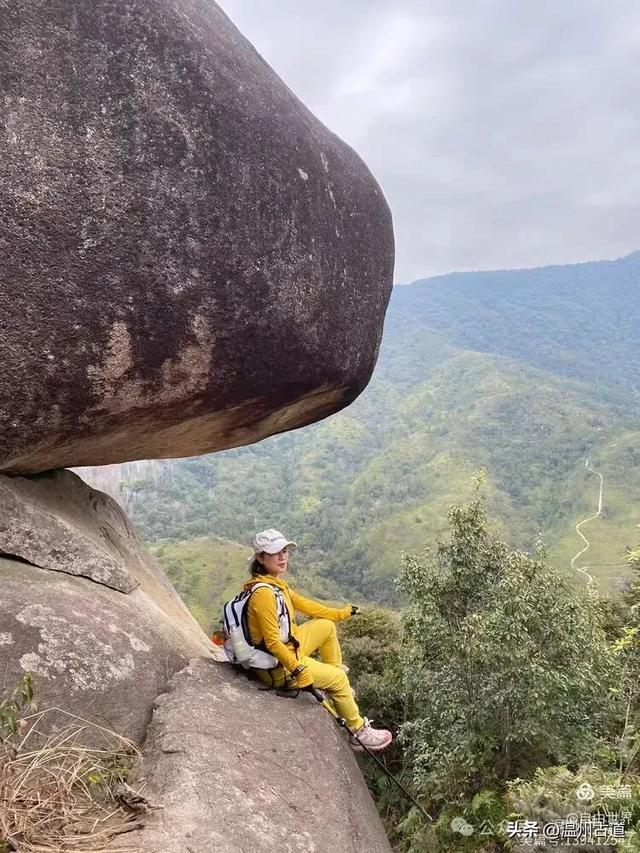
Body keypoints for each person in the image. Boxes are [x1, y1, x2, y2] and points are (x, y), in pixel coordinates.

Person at [243, 528, 393, 752]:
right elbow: (273, 643)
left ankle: (335, 687)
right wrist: (299, 670)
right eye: (276, 553)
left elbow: (308, 605)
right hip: (279, 666)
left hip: (288, 647)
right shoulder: (264, 593)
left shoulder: (274, 585)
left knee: (325, 627)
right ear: (261, 558)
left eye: (284, 551)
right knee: (338, 679)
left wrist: (342, 613)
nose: (283, 557)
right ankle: (358, 731)